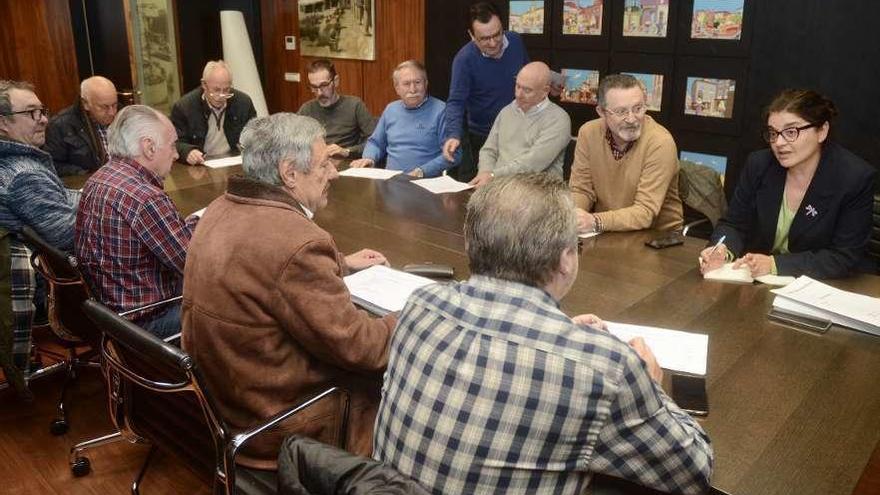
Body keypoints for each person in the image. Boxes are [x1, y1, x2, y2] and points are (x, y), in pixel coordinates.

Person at [373, 173, 713, 494]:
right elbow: (694, 471)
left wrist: (562, 337)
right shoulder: (605, 369)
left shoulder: (420, 306)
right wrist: (650, 385)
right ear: (566, 259)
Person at [181, 113, 395, 493]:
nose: (334, 173)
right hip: (280, 423)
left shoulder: (218, 209)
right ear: (289, 173)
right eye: (324, 163)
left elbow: (262, 273)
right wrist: (413, 316)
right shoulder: (297, 242)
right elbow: (364, 348)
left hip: (227, 403)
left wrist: (340, 264)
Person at [700, 89, 876, 279]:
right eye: (773, 133)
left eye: (791, 132)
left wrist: (774, 265)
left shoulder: (854, 177)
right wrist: (722, 250)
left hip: (820, 287)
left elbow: (843, 256)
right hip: (756, 282)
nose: (779, 143)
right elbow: (734, 224)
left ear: (822, 131)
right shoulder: (759, 164)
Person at [75, 105, 195, 339]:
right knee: (238, 303)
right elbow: (193, 266)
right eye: (172, 145)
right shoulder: (146, 198)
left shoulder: (100, 178)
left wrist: (191, 224)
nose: (176, 154)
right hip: (148, 323)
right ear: (149, 147)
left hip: (111, 314)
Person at [0, 80, 79, 392]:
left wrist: (93, 196)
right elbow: (68, 235)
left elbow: (57, 200)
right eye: (31, 113)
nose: (44, 119)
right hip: (55, 285)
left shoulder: (18, 161)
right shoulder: (22, 174)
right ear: (3, 123)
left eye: (41, 110)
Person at [569, 74, 683, 233]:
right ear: (601, 112)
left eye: (638, 109)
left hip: (657, 237)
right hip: (608, 231)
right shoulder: (588, 133)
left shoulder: (660, 142)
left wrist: (595, 221)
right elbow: (581, 190)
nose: (631, 119)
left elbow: (645, 212)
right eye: (621, 111)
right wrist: (574, 216)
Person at [441, 1, 529, 181]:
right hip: (484, 136)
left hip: (520, 130)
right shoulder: (464, 60)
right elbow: (456, 102)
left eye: (497, 34)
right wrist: (453, 134)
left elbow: (527, 75)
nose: (493, 42)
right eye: (484, 38)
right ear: (472, 36)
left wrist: (547, 84)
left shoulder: (515, 41)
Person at [469, 61, 570, 187]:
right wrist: (485, 173)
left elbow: (533, 163)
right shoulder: (506, 111)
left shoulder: (558, 119)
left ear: (545, 91)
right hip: (496, 187)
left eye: (527, 90)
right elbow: (489, 150)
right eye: (517, 86)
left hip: (536, 190)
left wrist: (493, 176)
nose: (518, 94)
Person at [350, 60, 457, 177]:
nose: (413, 89)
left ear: (426, 84)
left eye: (417, 82)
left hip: (424, 182)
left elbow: (455, 154)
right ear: (397, 88)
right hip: (390, 182)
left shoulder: (442, 110)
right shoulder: (391, 109)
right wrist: (369, 158)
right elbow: (375, 143)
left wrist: (422, 171)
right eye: (406, 84)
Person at [170, 60, 256, 165]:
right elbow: (174, 142)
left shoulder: (243, 102)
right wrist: (188, 151)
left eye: (226, 90)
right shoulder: (184, 107)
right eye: (216, 90)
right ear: (204, 85)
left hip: (234, 161)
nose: (221, 95)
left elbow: (255, 134)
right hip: (201, 165)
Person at [298, 59, 376, 158]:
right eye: (314, 87)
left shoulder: (354, 105)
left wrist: (347, 151)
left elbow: (374, 142)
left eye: (324, 85)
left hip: (345, 161)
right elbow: (292, 143)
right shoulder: (306, 109)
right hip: (316, 162)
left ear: (336, 81)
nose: (319, 93)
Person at [44, 76, 118, 176]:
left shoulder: (122, 117)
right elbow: (52, 165)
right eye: (104, 107)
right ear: (85, 104)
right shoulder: (60, 126)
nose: (112, 112)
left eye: (114, 105)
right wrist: (87, 174)